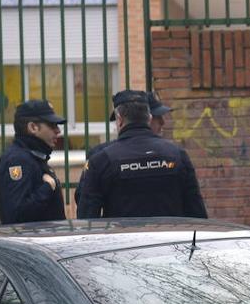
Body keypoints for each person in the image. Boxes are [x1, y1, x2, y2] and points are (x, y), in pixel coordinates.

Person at [76, 90, 207, 219]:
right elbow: (197, 213)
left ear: (119, 119)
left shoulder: (101, 160)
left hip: (123, 239)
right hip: (170, 238)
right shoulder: (178, 155)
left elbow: (87, 218)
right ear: (149, 118)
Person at [74, 90, 173, 210]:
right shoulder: (174, 154)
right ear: (147, 117)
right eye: (158, 117)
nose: (163, 122)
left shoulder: (171, 153)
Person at [0, 100, 68, 224]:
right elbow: (17, 215)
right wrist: (47, 188)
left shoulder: (34, 157)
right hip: (29, 242)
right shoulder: (17, 161)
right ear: (33, 127)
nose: (58, 131)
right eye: (52, 125)